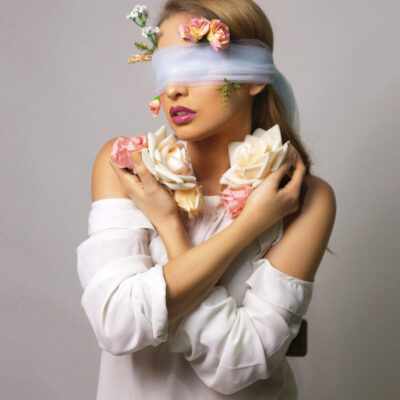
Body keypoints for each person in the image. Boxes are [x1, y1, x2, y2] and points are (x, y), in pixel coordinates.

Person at [76, 1, 336, 398]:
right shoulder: (128, 167)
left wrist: (171, 228)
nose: (172, 89)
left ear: (255, 77)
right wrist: (246, 228)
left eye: (195, 64)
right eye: (164, 68)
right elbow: (116, 324)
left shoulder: (303, 197)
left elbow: (239, 365)